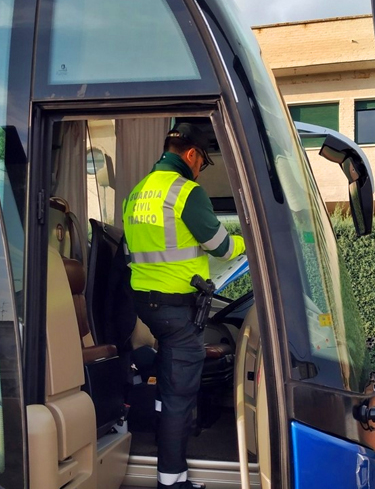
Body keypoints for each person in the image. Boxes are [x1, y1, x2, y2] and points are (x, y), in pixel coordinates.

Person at [121, 123, 246, 489]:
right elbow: (221, 247)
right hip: (177, 310)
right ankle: (171, 480)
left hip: (146, 303)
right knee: (180, 394)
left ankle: (158, 425)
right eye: (202, 163)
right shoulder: (186, 192)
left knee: (168, 375)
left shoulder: (137, 192)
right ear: (192, 155)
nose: (199, 170)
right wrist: (244, 245)